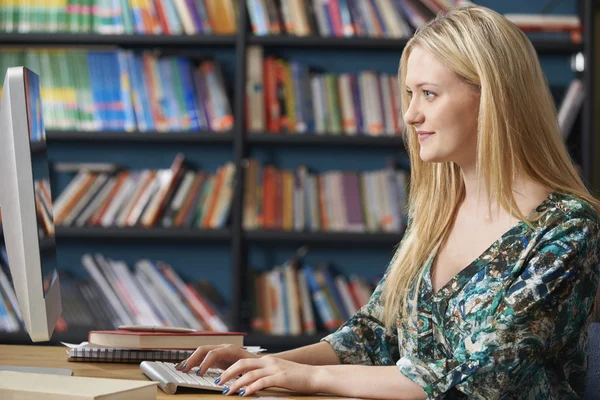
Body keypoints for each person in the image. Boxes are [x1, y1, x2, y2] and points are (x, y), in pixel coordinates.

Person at [175, 4, 600, 399]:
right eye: (409, 95)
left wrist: (312, 377)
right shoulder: (436, 209)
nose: (410, 115)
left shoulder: (566, 228)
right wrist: (268, 363)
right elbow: (375, 333)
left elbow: (481, 377)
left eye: (429, 94)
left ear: (491, 98)